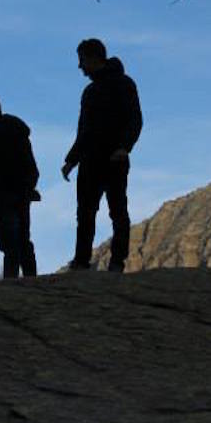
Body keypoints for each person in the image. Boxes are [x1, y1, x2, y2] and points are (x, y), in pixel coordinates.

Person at [62, 38, 143, 272]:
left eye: (82, 60)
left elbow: (135, 119)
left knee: (117, 209)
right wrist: (72, 159)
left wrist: (123, 148)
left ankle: (117, 261)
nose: (80, 66)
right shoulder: (89, 92)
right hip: (89, 160)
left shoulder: (124, 84)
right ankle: (81, 261)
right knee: (85, 212)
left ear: (94, 58)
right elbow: (83, 130)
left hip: (114, 159)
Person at [0, 95, 40, 278]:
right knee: (21, 238)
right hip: (20, 192)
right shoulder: (15, 132)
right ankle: (30, 277)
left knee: (10, 240)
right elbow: (30, 164)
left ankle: (11, 278)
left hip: (6, 193)